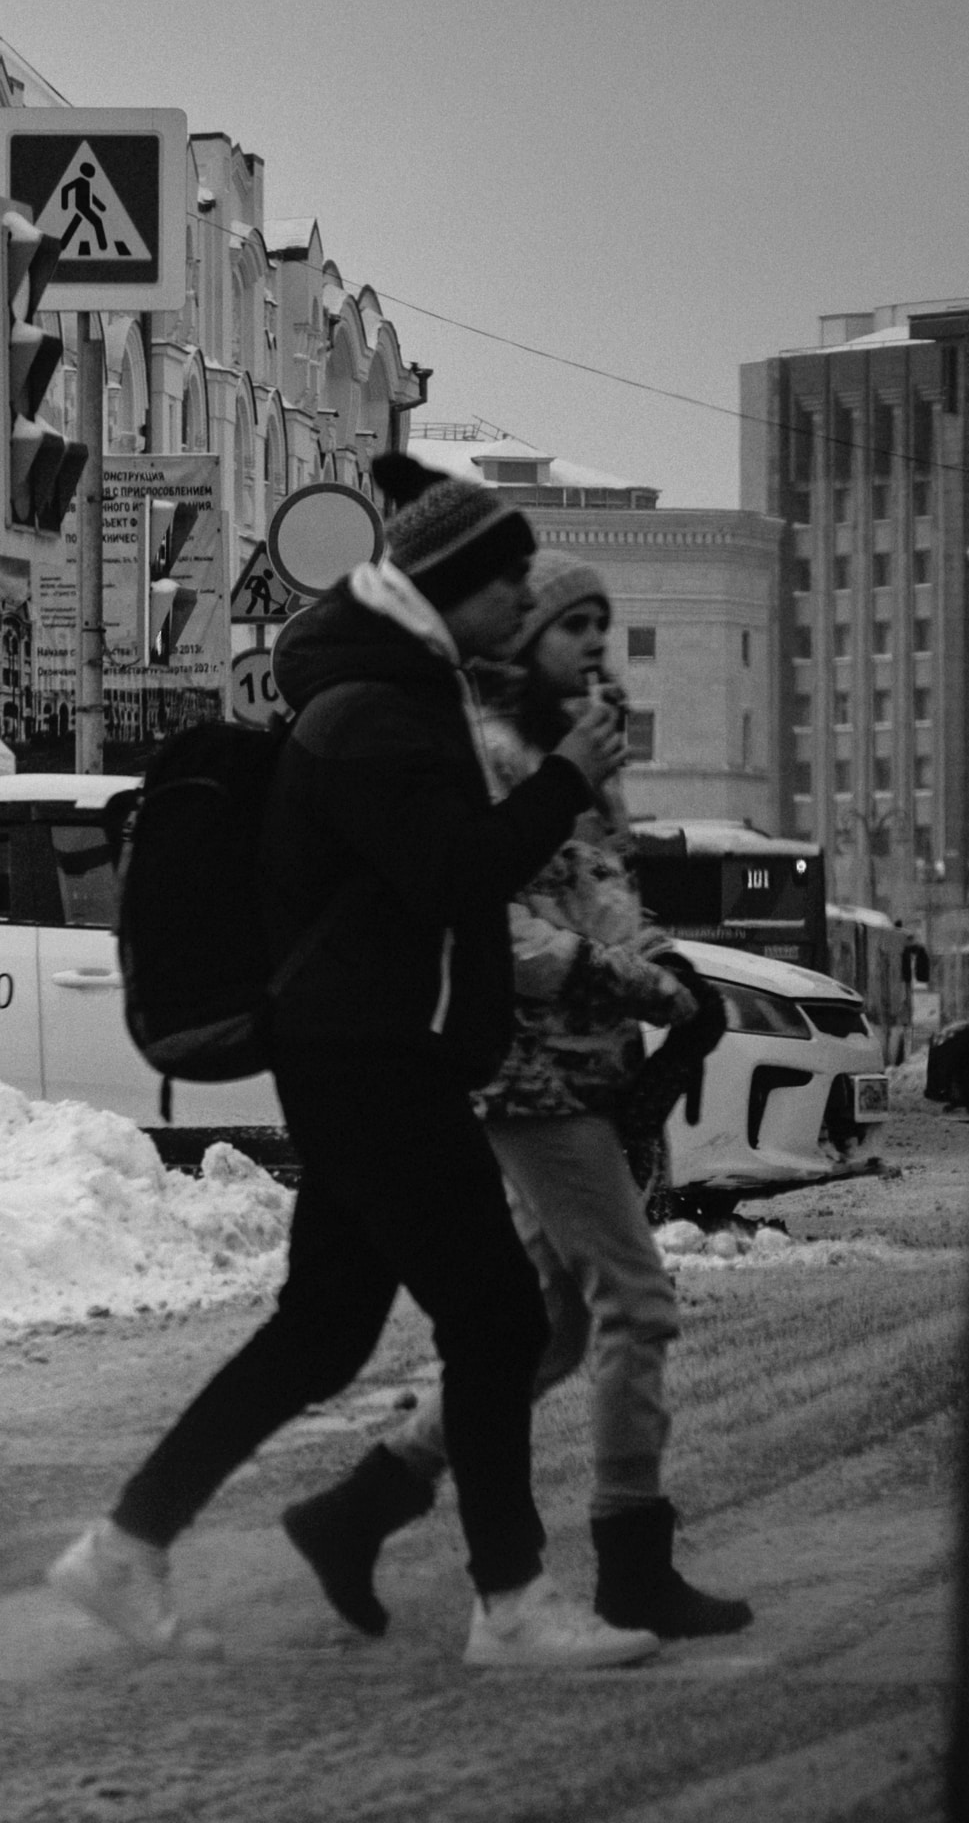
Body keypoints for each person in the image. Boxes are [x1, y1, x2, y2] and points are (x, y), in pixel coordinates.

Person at [48, 453, 658, 1670]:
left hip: (370, 1048)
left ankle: (124, 1546)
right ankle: (513, 1603)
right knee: (492, 1319)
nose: (516, 605)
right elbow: (450, 873)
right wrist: (566, 780)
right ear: (444, 588)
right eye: (503, 587)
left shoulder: (394, 685)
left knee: (324, 1331)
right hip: (371, 1054)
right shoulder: (373, 711)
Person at [274, 554, 755, 1642]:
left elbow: (605, 893)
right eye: (570, 623)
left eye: (602, 621)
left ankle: (359, 1508)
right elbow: (495, 921)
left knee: (549, 1329)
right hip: (530, 1066)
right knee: (638, 1300)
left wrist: (674, 967)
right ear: (516, 637)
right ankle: (632, 1555)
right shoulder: (487, 756)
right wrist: (633, 981)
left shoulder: (575, 750)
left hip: (585, 1056)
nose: (593, 642)